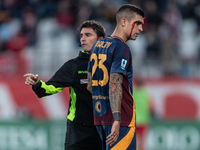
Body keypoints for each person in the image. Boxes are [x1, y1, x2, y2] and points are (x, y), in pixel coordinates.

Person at [23, 20, 106, 150]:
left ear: (100, 39)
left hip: (105, 128)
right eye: (81, 35)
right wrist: (37, 83)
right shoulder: (73, 66)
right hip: (79, 130)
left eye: (88, 35)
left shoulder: (111, 64)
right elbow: (48, 89)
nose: (83, 39)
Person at [87, 4, 145, 150]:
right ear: (124, 21)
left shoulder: (97, 45)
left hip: (100, 119)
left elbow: (89, 85)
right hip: (121, 121)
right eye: (137, 23)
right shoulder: (121, 47)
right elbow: (114, 83)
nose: (141, 29)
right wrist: (117, 119)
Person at [133, 76, 154, 150]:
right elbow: (151, 108)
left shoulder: (133, 93)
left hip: (134, 121)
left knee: (134, 140)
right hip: (143, 121)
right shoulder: (146, 94)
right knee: (141, 140)